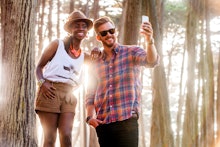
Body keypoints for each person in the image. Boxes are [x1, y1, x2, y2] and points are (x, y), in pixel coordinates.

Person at [85, 16, 159, 147]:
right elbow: (90, 93)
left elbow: (151, 61)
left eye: (111, 31)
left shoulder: (132, 52)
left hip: (127, 122)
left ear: (115, 31)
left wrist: (149, 41)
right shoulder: (95, 62)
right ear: (98, 37)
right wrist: (90, 118)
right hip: (104, 125)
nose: (109, 35)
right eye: (104, 33)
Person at [35, 10, 95, 147]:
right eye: (76, 25)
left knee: (66, 135)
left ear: (87, 31)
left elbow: (98, 65)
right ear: (70, 29)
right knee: (50, 137)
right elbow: (38, 67)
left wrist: (96, 49)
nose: (81, 28)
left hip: (68, 95)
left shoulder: (84, 56)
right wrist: (42, 83)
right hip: (50, 91)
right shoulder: (57, 45)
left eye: (84, 26)